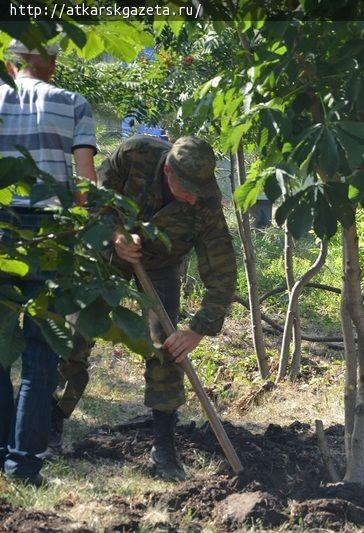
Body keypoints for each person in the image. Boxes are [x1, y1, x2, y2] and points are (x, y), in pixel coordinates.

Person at [49, 134, 237, 481]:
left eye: (200, 188)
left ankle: (164, 446)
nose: (194, 197)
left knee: (167, 346)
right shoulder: (136, 153)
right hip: (108, 253)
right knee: (76, 333)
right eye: (187, 189)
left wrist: (198, 329)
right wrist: (116, 234)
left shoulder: (205, 202)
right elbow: (95, 197)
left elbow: (222, 270)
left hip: (161, 266)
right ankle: (53, 423)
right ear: (168, 172)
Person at [0, 39, 98, 485]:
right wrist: (86, 230)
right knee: (41, 356)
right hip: (51, 235)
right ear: (51, 63)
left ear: (10, 62)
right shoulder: (72, 103)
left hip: (2, 230)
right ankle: (23, 466)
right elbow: (85, 182)